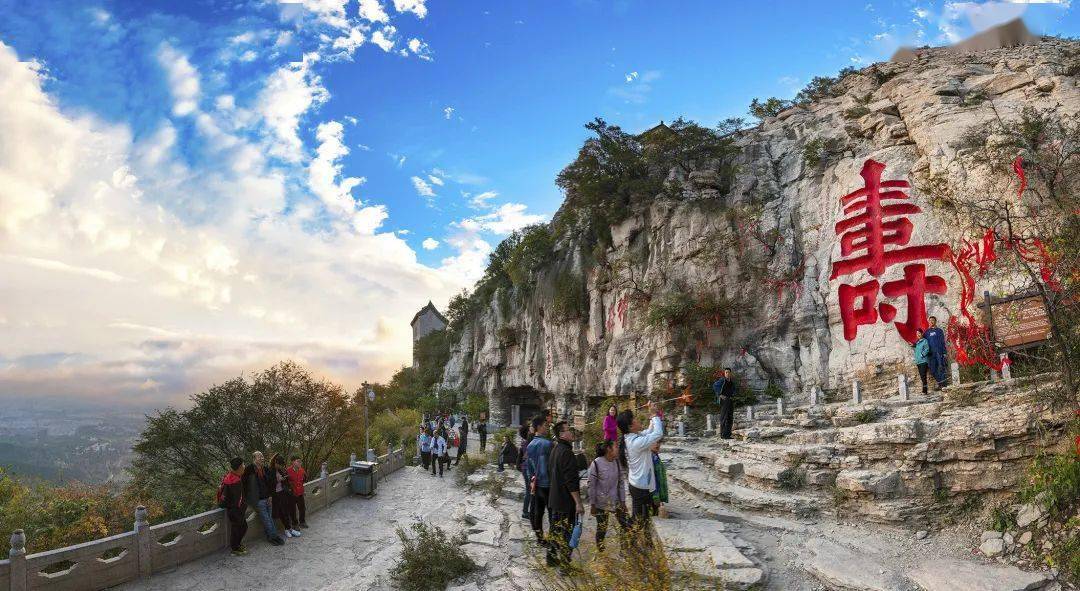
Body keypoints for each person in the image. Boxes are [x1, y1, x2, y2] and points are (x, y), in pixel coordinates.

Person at [617, 403, 664, 535]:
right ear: (630, 427)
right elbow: (658, 433)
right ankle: (627, 540)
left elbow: (649, 432)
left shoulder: (632, 437)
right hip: (640, 488)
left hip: (638, 484)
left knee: (643, 518)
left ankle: (642, 543)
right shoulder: (636, 443)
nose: (638, 420)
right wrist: (655, 415)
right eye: (635, 419)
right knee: (639, 520)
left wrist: (652, 417)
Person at [546, 421, 583, 568]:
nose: (571, 432)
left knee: (555, 531)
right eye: (568, 430)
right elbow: (571, 481)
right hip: (565, 502)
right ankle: (565, 566)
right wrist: (578, 503)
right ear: (562, 434)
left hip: (555, 499)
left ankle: (552, 560)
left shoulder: (556, 449)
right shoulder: (566, 452)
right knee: (567, 533)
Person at [587, 440, 626, 551]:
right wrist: (593, 504)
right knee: (602, 528)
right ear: (609, 449)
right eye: (616, 446)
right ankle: (601, 550)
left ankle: (625, 548)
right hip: (601, 502)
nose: (618, 449)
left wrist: (623, 501)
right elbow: (592, 486)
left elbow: (621, 483)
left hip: (616, 500)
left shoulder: (617, 462)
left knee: (626, 524)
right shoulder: (596, 464)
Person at [243, 451, 284, 546]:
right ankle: (273, 537)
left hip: (268, 498)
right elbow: (244, 485)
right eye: (259, 457)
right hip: (258, 500)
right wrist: (249, 499)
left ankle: (272, 536)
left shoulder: (265, 469)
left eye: (262, 456)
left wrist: (270, 495)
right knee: (266, 519)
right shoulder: (249, 470)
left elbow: (270, 484)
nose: (262, 458)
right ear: (254, 459)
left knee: (270, 518)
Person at [525, 415, 554, 544]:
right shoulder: (548, 444)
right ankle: (554, 539)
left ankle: (540, 538)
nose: (547, 428)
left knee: (538, 512)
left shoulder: (530, 445)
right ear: (539, 427)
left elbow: (528, 467)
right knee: (552, 513)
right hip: (548, 484)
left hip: (536, 483)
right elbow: (551, 466)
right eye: (545, 425)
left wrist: (532, 481)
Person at [219, 457, 248, 556]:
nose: (244, 466)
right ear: (239, 467)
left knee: (242, 527)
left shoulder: (232, 477)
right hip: (235, 511)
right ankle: (235, 548)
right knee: (238, 529)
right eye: (243, 465)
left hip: (234, 510)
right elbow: (236, 500)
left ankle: (237, 545)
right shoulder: (234, 481)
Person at [270, 453, 300, 538]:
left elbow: (285, 482)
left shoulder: (280, 470)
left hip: (283, 493)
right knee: (281, 513)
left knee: (286, 511)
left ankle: (289, 529)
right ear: (276, 463)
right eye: (280, 465)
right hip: (275, 495)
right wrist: (278, 480)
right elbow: (270, 484)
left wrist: (284, 479)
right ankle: (287, 529)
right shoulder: (270, 471)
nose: (281, 466)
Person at [924, 316, 949, 389]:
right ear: (929, 322)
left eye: (933, 320)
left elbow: (942, 341)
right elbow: (923, 341)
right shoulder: (926, 332)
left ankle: (943, 385)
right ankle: (941, 383)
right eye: (930, 320)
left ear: (935, 321)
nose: (931, 322)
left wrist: (944, 353)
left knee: (941, 367)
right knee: (932, 370)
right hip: (931, 354)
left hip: (939, 352)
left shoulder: (939, 331)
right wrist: (915, 344)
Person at [712, 368, 737, 439]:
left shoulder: (731, 382)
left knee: (730, 417)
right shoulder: (722, 380)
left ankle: (728, 434)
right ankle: (723, 435)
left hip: (730, 400)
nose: (727, 374)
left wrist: (733, 395)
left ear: (730, 373)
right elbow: (715, 386)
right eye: (726, 372)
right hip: (724, 400)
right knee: (724, 417)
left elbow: (734, 389)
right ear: (724, 373)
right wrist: (720, 394)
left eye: (729, 372)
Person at [518, 423, 534, 519]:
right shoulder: (527, 442)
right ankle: (525, 512)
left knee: (529, 490)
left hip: (525, 467)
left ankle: (527, 511)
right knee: (529, 490)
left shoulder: (524, 441)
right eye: (529, 429)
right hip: (527, 467)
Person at [287, 456, 308, 529]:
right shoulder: (288, 471)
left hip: (300, 493)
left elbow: (304, 480)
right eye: (298, 461)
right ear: (293, 462)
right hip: (292, 494)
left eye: (300, 461)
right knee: (292, 510)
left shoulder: (302, 470)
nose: (300, 463)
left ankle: (302, 522)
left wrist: (303, 490)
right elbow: (286, 483)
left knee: (302, 508)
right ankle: (295, 524)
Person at [650, 440, 669, 517]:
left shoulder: (655, 456)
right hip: (653, 493)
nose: (657, 445)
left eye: (658, 442)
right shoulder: (651, 458)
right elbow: (653, 478)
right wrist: (656, 495)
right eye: (654, 442)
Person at [914, 328, 932, 395]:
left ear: (922, 334)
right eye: (917, 334)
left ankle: (925, 391)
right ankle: (924, 390)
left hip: (924, 361)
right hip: (918, 362)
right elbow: (917, 351)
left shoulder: (925, 341)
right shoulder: (917, 342)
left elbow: (927, 349)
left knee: (923, 376)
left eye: (919, 333)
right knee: (922, 377)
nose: (918, 335)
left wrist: (922, 355)